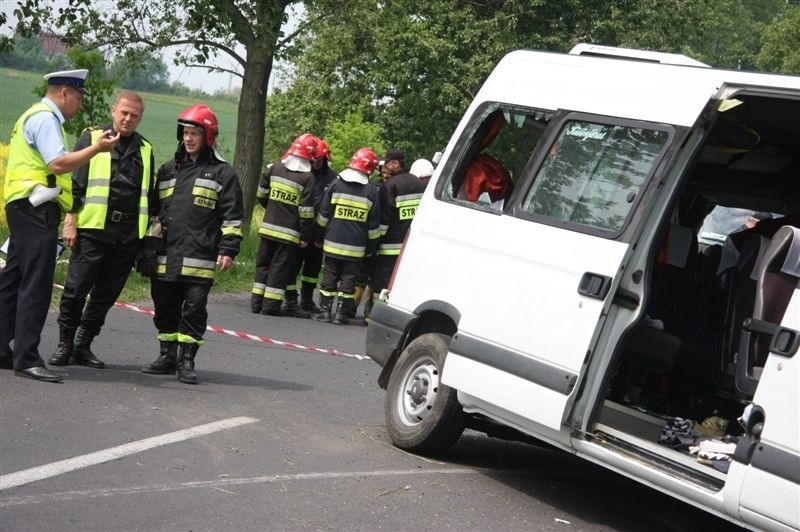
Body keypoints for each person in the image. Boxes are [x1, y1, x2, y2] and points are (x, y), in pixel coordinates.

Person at [0, 68, 120, 382]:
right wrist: (95, 149)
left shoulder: (32, 115)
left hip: (23, 205)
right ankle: (26, 358)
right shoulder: (45, 118)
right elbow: (57, 163)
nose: (79, 105)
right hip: (36, 208)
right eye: (78, 97)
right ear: (64, 92)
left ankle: (1, 348)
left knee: (13, 278)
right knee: (36, 285)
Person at [48, 90, 157, 369]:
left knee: (105, 296)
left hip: (128, 235)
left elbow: (148, 196)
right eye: (124, 112)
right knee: (75, 290)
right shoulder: (93, 137)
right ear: (113, 111)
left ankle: (83, 345)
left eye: (134, 115)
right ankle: (65, 343)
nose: (128, 118)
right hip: (93, 229)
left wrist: (146, 241)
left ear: (141, 118)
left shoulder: (145, 149)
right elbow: (76, 182)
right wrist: (70, 220)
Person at [140, 104, 243, 384]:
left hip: (200, 256)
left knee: (194, 309)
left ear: (208, 136)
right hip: (165, 254)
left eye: (195, 133)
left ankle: (187, 360)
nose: (188, 139)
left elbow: (232, 216)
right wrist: (146, 247)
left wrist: (228, 249)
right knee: (164, 307)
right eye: (185, 133)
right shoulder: (166, 170)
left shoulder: (222, 174)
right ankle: (167, 356)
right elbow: (153, 212)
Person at [251, 133, 316, 316]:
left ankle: (256, 304)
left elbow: (261, 195)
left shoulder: (274, 168)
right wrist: (305, 235)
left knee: (262, 266)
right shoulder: (308, 178)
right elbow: (306, 211)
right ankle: (270, 307)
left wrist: (272, 209)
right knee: (278, 270)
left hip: (267, 229)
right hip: (289, 235)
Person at [313, 148, 381, 325]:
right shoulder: (371, 192)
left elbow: (323, 216)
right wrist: (370, 250)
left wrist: (319, 238)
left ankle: (325, 311)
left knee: (329, 277)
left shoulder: (336, 185)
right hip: (356, 249)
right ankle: (341, 314)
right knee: (348, 282)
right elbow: (374, 228)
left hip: (332, 243)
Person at [282, 137, 338, 316]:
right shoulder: (301, 173)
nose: (315, 163)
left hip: (319, 232)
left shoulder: (333, 178)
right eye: (313, 160)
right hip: (299, 227)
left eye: (319, 160)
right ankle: (290, 299)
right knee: (293, 265)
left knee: (312, 269)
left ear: (325, 159)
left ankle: (306, 300)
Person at [372, 159, 426, 315]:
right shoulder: (420, 186)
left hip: (390, 246)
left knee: (383, 279)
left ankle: (376, 311)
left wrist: (376, 243)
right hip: (411, 246)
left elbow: (384, 219)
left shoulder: (389, 186)